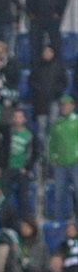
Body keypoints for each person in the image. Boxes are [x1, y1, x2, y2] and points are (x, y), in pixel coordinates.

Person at [25, 0, 68, 69]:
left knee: (55, 44)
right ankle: (36, 69)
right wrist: (31, 13)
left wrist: (58, 13)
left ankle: (57, 69)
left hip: (52, 17)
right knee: (36, 45)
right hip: (37, 18)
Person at [28, 44, 67, 170]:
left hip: (54, 101)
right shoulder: (37, 66)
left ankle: (53, 154)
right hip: (40, 103)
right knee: (41, 130)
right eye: (45, 51)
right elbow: (31, 81)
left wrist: (56, 91)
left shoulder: (58, 67)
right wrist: (39, 90)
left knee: (53, 128)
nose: (47, 54)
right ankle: (44, 155)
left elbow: (64, 82)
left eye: (49, 51)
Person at [0, 109, 37, 221]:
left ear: (24, 119)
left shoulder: (29, 135)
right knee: (4, 198)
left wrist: (27, 167)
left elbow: (35, 153)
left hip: (22, 170)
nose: (17, 119)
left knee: (23, 198)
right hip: (7, 168)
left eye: (20, 117)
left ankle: (25, 222)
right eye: (15, 117)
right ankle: (5, 221)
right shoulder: (7, 132)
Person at [48, 94, 78, 222]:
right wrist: (52, 157)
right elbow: (51, 143)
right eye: (62, 105)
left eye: (67, 105)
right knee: (59, 194)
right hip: (60, 164)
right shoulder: (57, 124)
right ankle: (59, 221)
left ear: (72, 106)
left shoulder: (76, 122)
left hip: (75, 163)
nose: (64, 107)